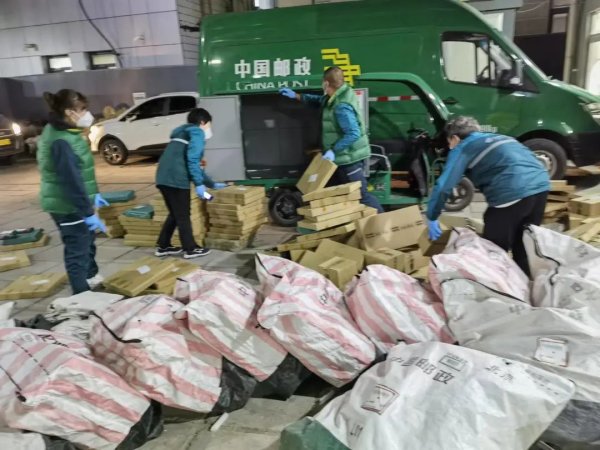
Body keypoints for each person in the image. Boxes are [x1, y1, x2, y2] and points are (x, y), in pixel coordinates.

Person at [426, 116, 550, 276]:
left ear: (454, 138)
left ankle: (497, 286)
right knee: (523, 246)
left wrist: (432, 216)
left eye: (449, 142)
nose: (450, 147)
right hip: (541, 188)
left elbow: (444, 185)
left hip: (511, 191)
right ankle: (526, 284)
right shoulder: (503, 138)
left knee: (493, 251)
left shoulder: (463, 147)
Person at [280, 66, 384, 213]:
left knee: (361, 195)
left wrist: (333, 151)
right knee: (337, 194)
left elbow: (353, 133)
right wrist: (297, 96)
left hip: (349, 160)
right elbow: (319, 100)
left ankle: (384, 223)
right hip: (341, 159)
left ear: (326, 83)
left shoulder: (341, 106)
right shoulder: (337, 95)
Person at [37, 89, 109, 294]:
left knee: (87, 242)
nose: (87, 114)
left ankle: (91, 277)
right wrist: (87, 212)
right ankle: (81, 295)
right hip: (66, 205)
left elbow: (82, 172)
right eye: (83, 109)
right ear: (70, 112)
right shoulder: (61, 140)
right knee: (77, 250)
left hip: (74, 202)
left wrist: (94, 194)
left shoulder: (68, 132)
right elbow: (71, 181)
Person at [155, 108, 226, 259]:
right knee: (183, 216)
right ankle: (190, 249)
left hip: (162, 178)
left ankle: (163, 246)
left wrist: (211, 184)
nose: (209, 128)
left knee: (175, 214)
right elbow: (193, 160)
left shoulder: (182, 133)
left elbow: (195, 164)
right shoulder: (197, 133)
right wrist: (199, 184)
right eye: (209, 124)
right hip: (177, 179)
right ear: (203, 122)